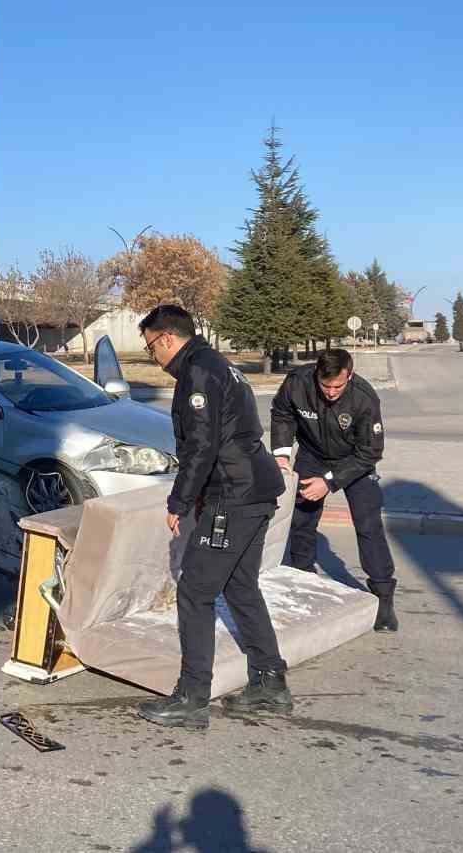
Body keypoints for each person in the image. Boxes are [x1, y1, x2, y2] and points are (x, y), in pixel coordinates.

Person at [134, 305, 291, 730]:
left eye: (151, 349)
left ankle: (192, 695)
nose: (153, 358)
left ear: (167, 338)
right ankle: (270, 683)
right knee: (241, 588)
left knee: (195, 592)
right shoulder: (219, 363)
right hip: (255, 489)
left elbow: (202, 446)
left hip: (232, 495)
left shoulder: (198, 373)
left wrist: (179, 501)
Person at [271, 348, 398, 632]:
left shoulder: (364, 398)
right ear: (317, 374)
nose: (330, 392)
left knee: (368, 525)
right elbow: (282, 413)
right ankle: (303, 578)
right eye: (325, 385)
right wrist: (281, 454)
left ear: (349, 376)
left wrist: (328, 482)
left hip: (355, 460)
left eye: (337, 386)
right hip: (312, 454)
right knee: (302, 520)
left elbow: (370, 451)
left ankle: (383, 598)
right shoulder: (298, 382)